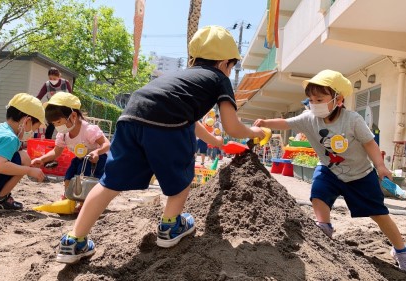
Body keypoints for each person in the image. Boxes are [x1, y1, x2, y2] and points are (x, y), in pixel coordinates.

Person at [54, 25, 266, 264]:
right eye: (231, 66)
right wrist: (255, 131)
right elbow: (232, 126)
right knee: (181, 175)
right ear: (225, 62)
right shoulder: (218, 78)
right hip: (167, 123)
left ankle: (74, 241)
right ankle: (170, 226)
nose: (229, 71)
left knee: (109, 183)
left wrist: (213, 140)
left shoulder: (182, 78)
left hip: (131, 116)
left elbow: (186, 117)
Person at [253, 69, 406, 276]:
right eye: (311, 99)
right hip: (330, 170)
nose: (314, 103)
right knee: (318, 192)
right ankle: (324, 226)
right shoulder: (309, 118)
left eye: (320, 98)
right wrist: (264, 123)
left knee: (379, 214)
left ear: (338, 99)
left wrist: (381, 166)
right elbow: (286, 123)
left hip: (360, 175)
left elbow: (369, 144)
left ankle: (401, 252)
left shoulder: (352, 120)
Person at [31, 92, 110, 201]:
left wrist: (97, 152)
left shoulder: (88, 130)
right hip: (80, 158)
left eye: (59, 122)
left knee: (84, 177)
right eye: (54, 124)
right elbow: (56, 152)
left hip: (97, 159)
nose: (57, 126)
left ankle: (85, 201)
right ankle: (68, 196)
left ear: (73, 116)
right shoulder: (63, 134)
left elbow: (106, 144)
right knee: (69, 175)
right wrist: (42, 159)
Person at [36, 67, 73, 140]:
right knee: (51, 125)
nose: (52, 80)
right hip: (53, 108)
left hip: (64, 107)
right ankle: (47, 140)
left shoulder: (65, 83)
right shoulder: (47, 85)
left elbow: (71, 96)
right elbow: (39, 97)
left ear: (59, 76)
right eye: (50, 78)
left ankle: (68, 140)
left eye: (54, 79)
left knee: (66, 126)